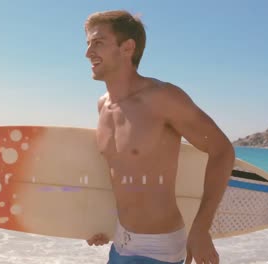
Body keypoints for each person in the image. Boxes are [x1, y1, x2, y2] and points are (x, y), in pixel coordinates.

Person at [84, 10, 235, 264]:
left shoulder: (163, 98)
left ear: (127, 47)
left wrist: (200, 230)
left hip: (158, 250)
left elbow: (222, 151)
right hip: (119, 243)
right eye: (88, 44)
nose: (88, 53)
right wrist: (102, 224)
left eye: (98, 43)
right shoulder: (103, 105)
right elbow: (119, 176)